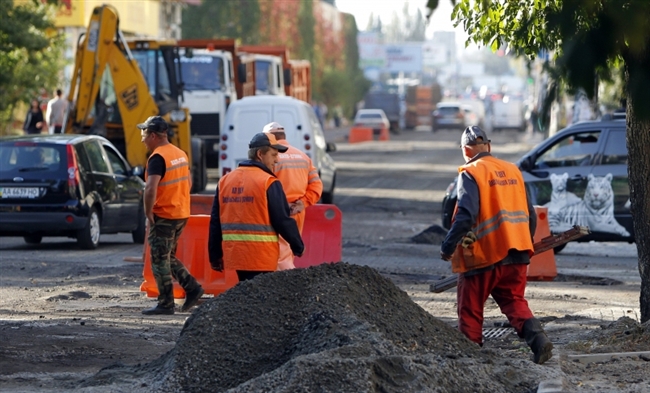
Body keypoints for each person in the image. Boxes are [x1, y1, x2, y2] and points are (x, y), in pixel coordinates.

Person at [439, 126, 553, 365]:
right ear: (488, 146)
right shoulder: (513, 170)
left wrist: (448, 246)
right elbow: (530, 215)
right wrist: (524, 242)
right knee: (514, 301)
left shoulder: (471, 172)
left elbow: (466, 215)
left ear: (466, 150)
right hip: (518, 252)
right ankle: (539, 341)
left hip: (484, 255)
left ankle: (471, 358)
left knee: (470, 308)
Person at [208, 132, 304, 282]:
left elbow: (215, 221)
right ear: (260, 154)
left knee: (247, 297)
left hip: (236, 255)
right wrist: (297, 245)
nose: (276, 160)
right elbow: (282, 219)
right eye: (273, 155)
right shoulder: (268, 182)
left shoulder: (225, 181)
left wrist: (214, 255)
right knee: (261, 299)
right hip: (262, 256)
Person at [139, 116, 204, 315]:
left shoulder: (158, 157)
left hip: (165, 214)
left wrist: (148, 210)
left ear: (152, 135)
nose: (141, 138)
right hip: (180, 213)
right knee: (167, 256)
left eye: (143, 133)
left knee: (159, 258)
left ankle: (166, 303)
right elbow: (189, 183)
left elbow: (150, 189)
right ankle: (192, 288)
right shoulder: (180, 154)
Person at [262, 122, 322, 270]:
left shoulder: (270, 157)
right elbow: (316, 185)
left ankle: (285, 286)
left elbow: (261, 184)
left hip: (277, 211)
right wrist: (303, 202)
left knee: (279, 255)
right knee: (287, 251)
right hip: (297, 211)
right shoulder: (303, 156)